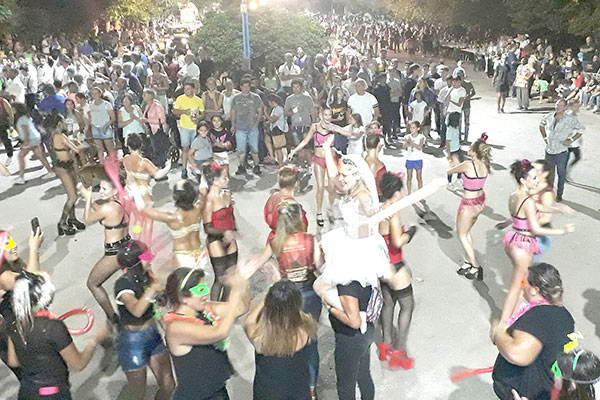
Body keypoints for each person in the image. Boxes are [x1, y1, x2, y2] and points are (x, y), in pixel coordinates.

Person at [247, 201, 322, 396]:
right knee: (310, 340)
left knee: (283, 331)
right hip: (309, 293)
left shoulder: (276, 242)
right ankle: (311, 386)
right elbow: (320, 264)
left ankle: (287, 365)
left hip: (285, 295)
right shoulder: (310, 240)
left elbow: (258, 261)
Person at [7, 270, 107, 399]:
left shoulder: (15, 325)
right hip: (53, 394)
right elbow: (78, 364)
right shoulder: (53, 328)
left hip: (27, 392)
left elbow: (13, 361)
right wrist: (95, 341)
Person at [500, 160, 574, 323]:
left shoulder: (515, 195)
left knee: (522, 282)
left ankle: (514, 316)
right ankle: (504, 324)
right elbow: (536, 229)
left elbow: (536, 208)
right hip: (523, 244)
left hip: (513, 239)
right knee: (516, 287)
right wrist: (561, 230)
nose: (537, 180)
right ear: (523, 180)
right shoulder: (528, 201)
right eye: (533, 178)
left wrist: (558, 209)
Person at [491, 263, 575, 400]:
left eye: (524, 282)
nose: (522, 286)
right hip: (544, 389)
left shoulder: (539, 317)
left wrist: (499, 332)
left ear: (535, 290)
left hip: (524, 392)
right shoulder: (564, 315)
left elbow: (517, 355)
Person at [164, 267, 249, 400]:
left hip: (217, 391)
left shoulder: (205, 309)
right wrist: (235, 291)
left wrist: (242, 282)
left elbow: (240, 308)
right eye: (201, 290)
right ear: (183, 298)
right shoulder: (176, 328)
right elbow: (220, 332)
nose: (207, 292)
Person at [114, 241, 175, 400]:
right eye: (146, 257)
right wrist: (152, 289)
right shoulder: (122, 285)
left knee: (168, 385)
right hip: (132, 343)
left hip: (152, 335)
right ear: (135, 262)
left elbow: (156, 307)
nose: (150, 259)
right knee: (138, 394)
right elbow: (136, 310)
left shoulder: (147, 277)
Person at [244, 279, 318, 400]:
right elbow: (294, 312)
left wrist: (267, 299)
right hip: (299, 391)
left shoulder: (262, 338)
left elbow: (249, 322)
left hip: (269, 393)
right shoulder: (306, 327)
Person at [80, 172, 132, 331]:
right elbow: (101, 213)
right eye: (100, 188)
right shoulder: (123, 201)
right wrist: (92, 201)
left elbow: (87, 220)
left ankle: (113, 318)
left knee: (93, 283)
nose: (100, 192)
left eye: (104, 189)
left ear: (115, 190)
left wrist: (87, 198)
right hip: (127, 246)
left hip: (114, 253)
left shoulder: (109, 207)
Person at [377, 172, 417, 370]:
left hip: (381, 266)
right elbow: (397, 241)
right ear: (394, 193)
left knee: (388, 303)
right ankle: (399, 351)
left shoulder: (379, 210)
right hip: (395, 265)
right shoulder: (393, 214)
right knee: (407, 306)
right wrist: (410, 232)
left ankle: (385, 344)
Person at [289, 107, 353, 226]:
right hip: (318, 159)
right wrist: (294, 150)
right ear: (320, 115)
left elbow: (348, 133)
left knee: (332, 187)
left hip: (331, 160)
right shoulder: (314, 127)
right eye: (325, 115)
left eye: (329, 115)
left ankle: (330, 209)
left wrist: (362, 131)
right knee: (320, 187)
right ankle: (319, 212)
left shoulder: (333, 127)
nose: (328, 117)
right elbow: (305, 141)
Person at [142, 180, 211, 283]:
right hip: (200, 254)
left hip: (182, 257)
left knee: (183, 286)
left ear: (175, 197)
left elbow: (146, 211)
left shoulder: (171, 218)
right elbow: (203, 192)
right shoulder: (198, 209)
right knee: (200, 285)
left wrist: (144, 194)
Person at [447, 134, 491, 278]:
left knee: (462, 234)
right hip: (480, 201)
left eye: (470, 147)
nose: (468, 148)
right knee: (466, 232)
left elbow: (449, 171)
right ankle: (467, 263)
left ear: (474, 151)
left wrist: (451, 161)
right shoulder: (484, 164)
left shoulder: (467, 165)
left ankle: (476, 266)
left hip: (468, 204)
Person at [45, 113, 85, 236]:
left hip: (67, 165)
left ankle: (72, 218)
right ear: (59, 124)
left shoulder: (55, 136)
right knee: (72, 196)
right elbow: (76, 149)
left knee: (73, 194)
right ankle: (62, 222)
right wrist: (86, 143)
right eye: (63, 122)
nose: (65, 124)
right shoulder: (59, 136)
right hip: (63, 168)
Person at [203, 163, 238, 301]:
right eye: (224, 178)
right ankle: (213, 309)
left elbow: (231, 216)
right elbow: (207, 228)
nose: (228, 180)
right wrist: (225, 233)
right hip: (215, 241)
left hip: (230, 239)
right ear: (215, 181)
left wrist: (235, 229)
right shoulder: (208, 201)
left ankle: (224, 306)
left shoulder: (227, 194)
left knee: (231, 277)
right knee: (220, 279)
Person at [539, 99, 584, 202]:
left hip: (561, 152)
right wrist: (545, 137)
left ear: (565, 107)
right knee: (549, 174)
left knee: (561, 173)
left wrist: (571, 140)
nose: (558, 107)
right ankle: (549, 193)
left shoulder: (570, 119)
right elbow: (541, 125)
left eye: (561, 105)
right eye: (557, 104)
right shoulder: (549, 116)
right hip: (549, 150)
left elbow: (581, 129)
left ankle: (559, 193)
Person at [123, 132, 171, 209]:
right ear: (141, 145)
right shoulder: (144, 162)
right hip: (143, 194)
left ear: (128, 146)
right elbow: (158, 175)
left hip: (130, 192)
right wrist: (168, 166)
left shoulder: (125, 159)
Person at [263, 166, 308, 241]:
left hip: (272, 240)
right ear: (296, 183)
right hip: (287, 242)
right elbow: (302, 230)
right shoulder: (293, 208)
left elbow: (267, 216)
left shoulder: (273, 197)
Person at [13, 103, 55, 185]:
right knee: (40, 156)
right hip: (35, 138)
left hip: (30, 139)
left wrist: (25, 142)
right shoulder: (25, 117)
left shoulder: (21, 119)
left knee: (21, 156)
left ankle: (21, 177)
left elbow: (26, 132)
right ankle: (50, 171)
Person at [231, 78, 263, 175]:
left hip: (252, 127)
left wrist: (256, 123)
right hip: (240, 127)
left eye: (247, 86)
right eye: (243, 86)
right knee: (241, 149)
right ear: (240, 87)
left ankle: (256, 165)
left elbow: (260, 111)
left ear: (250, 87)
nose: (245, 88)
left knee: (254, 148)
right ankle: (241, 166)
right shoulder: (236, 98)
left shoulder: (255, 97)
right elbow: (233, 112)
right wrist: (233, 125)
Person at [173, 81, 204, 178]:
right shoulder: (180, 99)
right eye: (185, 89)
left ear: (193, 90)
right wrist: (184, 111)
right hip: (184, 127)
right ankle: (184, 168)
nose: (186, 91)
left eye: (188, 89)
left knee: (194, 149)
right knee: (185, 148)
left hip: (195, 127)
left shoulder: (198, 100)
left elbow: (203, 112)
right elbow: (174, 111)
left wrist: (198, 118)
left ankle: (195, 168)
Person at [284, 79, 315, 163]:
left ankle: (310, 165)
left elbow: (313, 111)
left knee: (307, 147)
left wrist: (314, 124)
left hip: (306, 125)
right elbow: (285, 113)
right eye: (294, 87)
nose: (295, 89)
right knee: (298, 147)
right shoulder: (289, 99)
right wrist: (294, 110)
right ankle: (302, 164)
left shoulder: (307, 98)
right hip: (295, 126)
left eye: (297, 87)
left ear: (301, 87)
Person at [88, 86, 116, 163]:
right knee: (99, 149)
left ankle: (113, 164)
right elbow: (90, 116)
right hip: (95, 128)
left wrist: (106, 126)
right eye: (93, 94)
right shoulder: (91, 104)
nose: (95, 95)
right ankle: (102, 165)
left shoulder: (106, 104)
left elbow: (113, 118)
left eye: (96, 93)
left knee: (110, 148)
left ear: (100, 94)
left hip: (105, 127)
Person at [265, 94, 288, 167]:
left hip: (278, 129)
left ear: (272, 102)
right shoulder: (276, 109)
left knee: (278, 148)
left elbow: (272, 120)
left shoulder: (278, 109)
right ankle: (272, 156)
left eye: (269, 102)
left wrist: (265, 113)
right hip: (275, 129)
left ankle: (280, 163)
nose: (269, 104)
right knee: (267, 140)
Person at [404, 121, 425, 194]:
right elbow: (404, 146)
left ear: (418, 128)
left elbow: (420, 147)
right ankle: (409, 193)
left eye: (414, 128)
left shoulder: (421, 137)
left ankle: (420, 193)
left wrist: (412, 143)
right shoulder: (407, 136)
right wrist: (406, 142)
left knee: (419, 177)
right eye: (411, 128)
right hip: (409, 159)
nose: (412, 129)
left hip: (418, 159)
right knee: (409, 177)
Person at [364, 134, 386, 200]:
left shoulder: (370, 159)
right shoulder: (372, 162)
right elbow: (370, 183)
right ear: (378, 144)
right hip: (377, 196)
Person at [445, 112, 462, 189]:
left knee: (461, 165)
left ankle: (458, 180)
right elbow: (447, 142)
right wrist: (449, 154)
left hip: (457, 149)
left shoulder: (456, 127)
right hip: (452, 151)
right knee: (451, 167)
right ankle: (449, 183)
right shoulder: (450, 129)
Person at [0, 96, 14, 167]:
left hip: (2, 124)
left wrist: (11, 125)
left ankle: (10, 156)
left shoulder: (3, 101)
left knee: (5, 139)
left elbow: (10, 113)